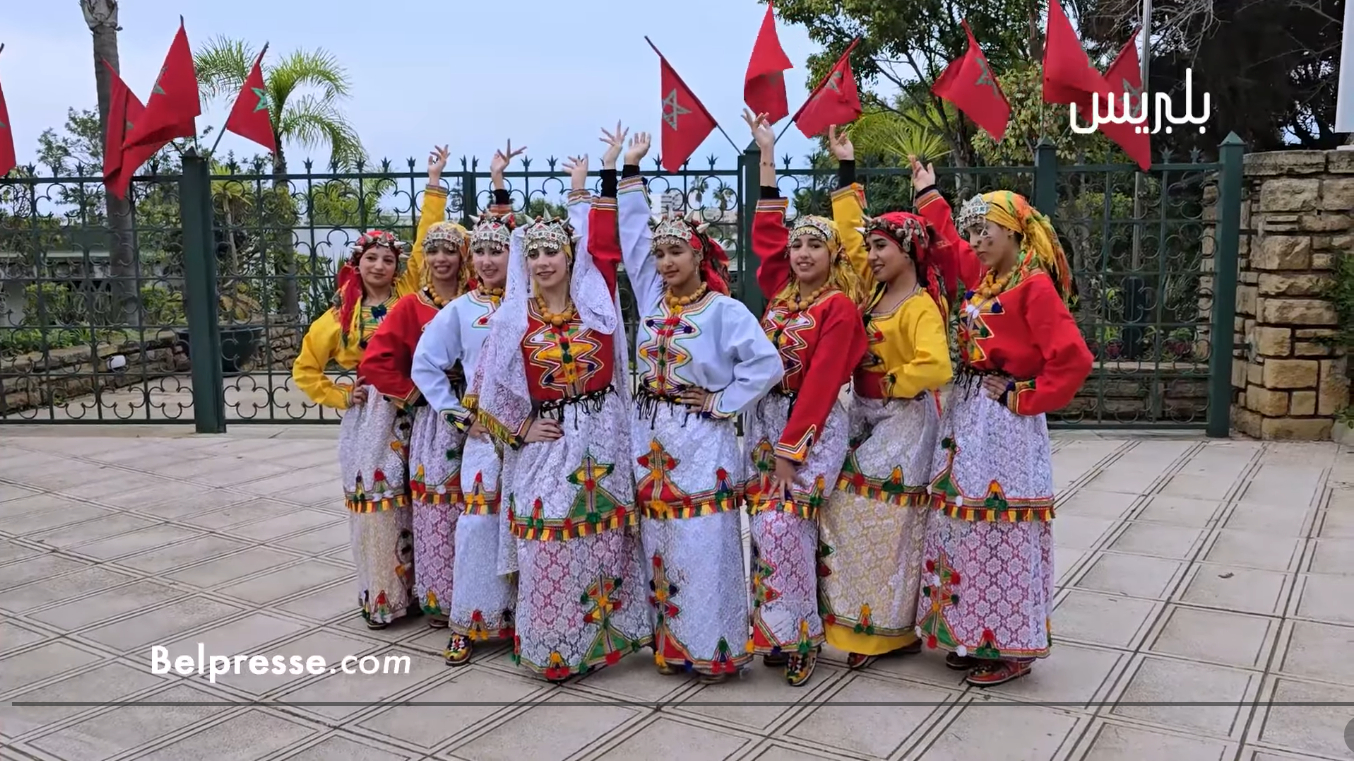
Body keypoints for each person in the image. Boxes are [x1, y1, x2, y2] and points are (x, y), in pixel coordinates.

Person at [588, 124, 783, 683]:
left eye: (677, 252)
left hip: (704, 434)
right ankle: (673, 646)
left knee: (705, 543)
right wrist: (630, 174)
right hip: (654, 437)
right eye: (662, 254)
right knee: (661, 542)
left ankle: (715, 647)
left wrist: (723, 400)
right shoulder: (652, 299)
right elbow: (631, 242)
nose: (666, 262)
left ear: (699, 255)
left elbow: (766, 365)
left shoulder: (724, 311)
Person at [909, 155, 1093, 686]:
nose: (977, 241)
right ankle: (972, 632)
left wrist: (1026, 395)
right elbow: (947, 246)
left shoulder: (1033, 288)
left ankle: (1010, 646)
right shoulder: (988, 280)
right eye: (974, 232)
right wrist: (929, 194)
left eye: (985, 231)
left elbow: (1074, 358)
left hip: (1006, 425)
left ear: (1013, 232)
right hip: (970, 416)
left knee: (1001, 527)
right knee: (964, 525)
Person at [470, 151, 650, 682]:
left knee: (598, 538)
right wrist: (521, 427)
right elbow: (487, 387)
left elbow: (603, 243)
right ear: (524, 263)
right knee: (547, 538)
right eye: (535, 254)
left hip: (602, 438)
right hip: (545, 444)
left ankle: (596, 642)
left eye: (554, 252)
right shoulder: (511, 320)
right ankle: (552, 646)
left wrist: (592, 179)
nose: (544, 261)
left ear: (571, 258)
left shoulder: (598, 310)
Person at [817, 127, 954, 670]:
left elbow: (937, 365)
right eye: (871, 246)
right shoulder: (872, 291)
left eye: (882, 246)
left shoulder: (919, 304)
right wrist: (846, 170)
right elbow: (849, 240)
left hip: (904, 419)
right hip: (866, 414)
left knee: (873, 515)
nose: (870, 254)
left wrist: (891, 382)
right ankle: (861, 622)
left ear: (909, 251)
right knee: (849, 507)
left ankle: (883, 631)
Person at [740, 110, 868, 687]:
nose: (802, 254)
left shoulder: (837, 307)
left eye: (815, 245)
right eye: (798, 246)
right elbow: (764, 239)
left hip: (808, 425)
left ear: (835, 254)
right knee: (769, 524)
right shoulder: (782, 296)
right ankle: (776, 624)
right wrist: (766, 158)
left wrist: (792, 449)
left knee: (783, 524)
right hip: (767, 420)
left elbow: (821, 382)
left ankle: (802, 636)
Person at [291, 147, 443, 629]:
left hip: (416, 405)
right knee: (378, 505)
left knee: (421, 500)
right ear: (357, 265)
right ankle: (384, 596)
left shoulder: (408, 297)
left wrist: (434, 181)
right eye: (371, 258)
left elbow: (426, 244)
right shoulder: (338, 318)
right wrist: (342, 395)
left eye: (387, 259)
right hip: (373, 415)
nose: (380, 266)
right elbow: (305, 370)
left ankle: (425, 591)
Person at [410, 140, 525, 665]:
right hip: (483, 433)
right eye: (478, 251)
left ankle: (529, 619)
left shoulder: (538, 305)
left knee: (530, 521)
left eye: (496, 250)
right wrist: (457, 413)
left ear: (514, 253)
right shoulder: (460, 309)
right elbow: (425, 365)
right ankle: (469, 619)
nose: (486, 259)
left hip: (536, 432)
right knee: (478, 521)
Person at [359, 146, 474, 631]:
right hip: (432, 420)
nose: (443, 257)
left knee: (479, 510)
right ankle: (439, 597)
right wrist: (416, 395)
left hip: (482, 416)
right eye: (434, 249)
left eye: (451, 249)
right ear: (424, 258)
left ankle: (481, 598)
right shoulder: (410, 308)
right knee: (435, 512)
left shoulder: (479, 301)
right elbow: (375, 362)